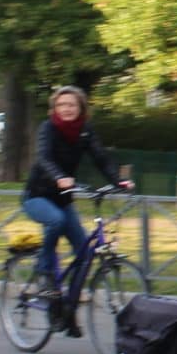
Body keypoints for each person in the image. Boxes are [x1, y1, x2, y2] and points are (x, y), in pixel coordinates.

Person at [20, 87, 132, 306]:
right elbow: (43, 158)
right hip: (36, 196)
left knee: (84, 254)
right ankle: (45, 274)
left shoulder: (84, 131)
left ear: (81, 108)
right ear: (55, 108)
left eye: (72, 105)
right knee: (56, 221)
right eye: (61, 105)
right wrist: (59, 177)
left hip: (63, 199)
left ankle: (68, 308)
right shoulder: (48, 128)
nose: (66, 109)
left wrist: (118, 181)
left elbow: (101, 157)